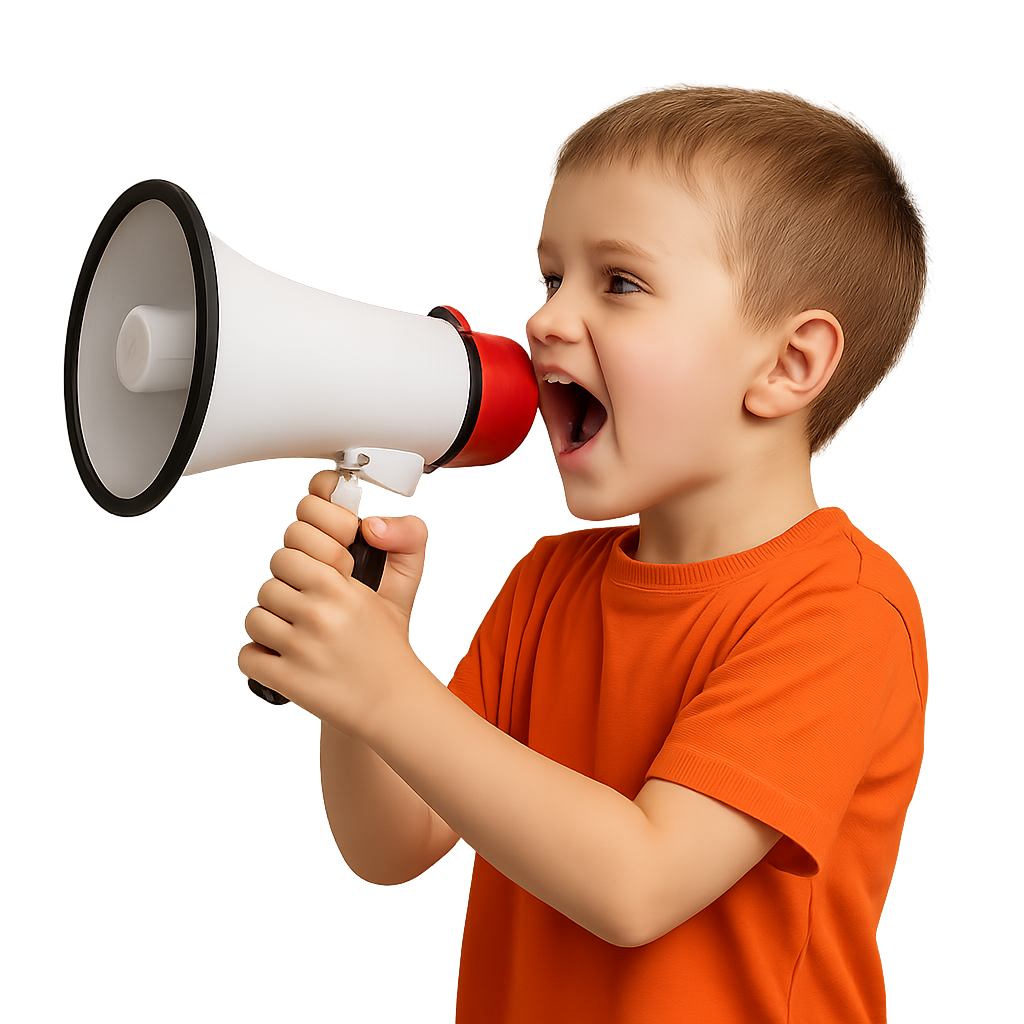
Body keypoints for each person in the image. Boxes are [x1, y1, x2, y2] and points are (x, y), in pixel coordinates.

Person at [239, 87, 928, 1023]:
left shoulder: (838, 614)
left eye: (620, 283)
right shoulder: (550, 583)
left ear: (787, 365)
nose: (546, 318)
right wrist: (363, 660)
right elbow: (392, 841)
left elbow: (639, 883)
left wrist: (385, 690)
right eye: (551, 276)